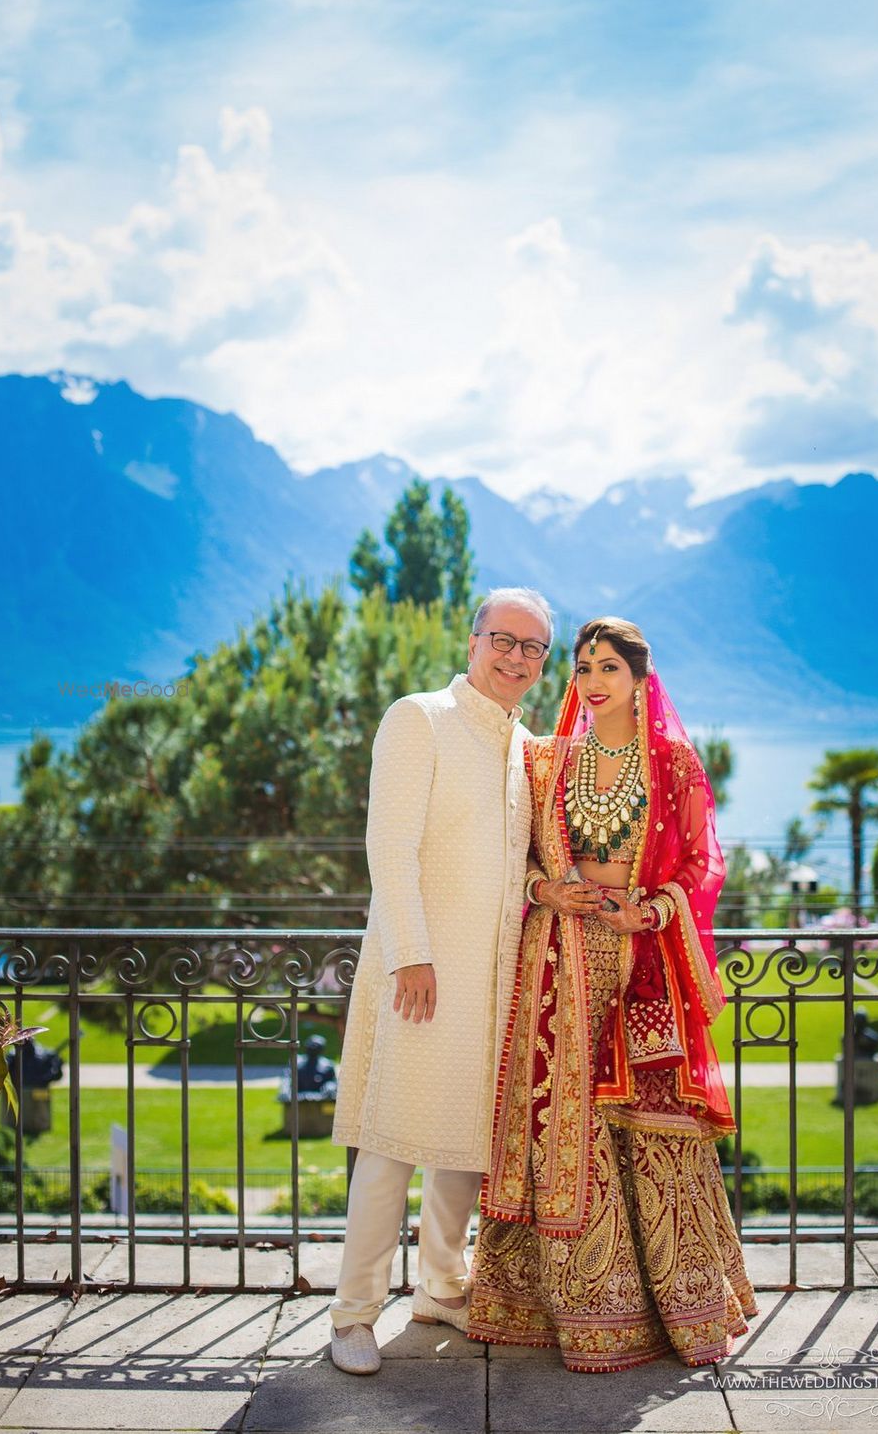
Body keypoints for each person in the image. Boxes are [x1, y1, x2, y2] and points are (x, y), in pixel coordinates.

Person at [468, 616, 756, 1372]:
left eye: (609, 668)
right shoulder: (547, 761)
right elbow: (515, 856)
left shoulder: (673, 763)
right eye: (584, 667)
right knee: (566, 1125)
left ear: (639, 679)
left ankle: (680, 1308)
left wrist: (652, 911)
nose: (593, 681)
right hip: (558, 960)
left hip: (642, 962)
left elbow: (700, 866)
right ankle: (573, 1312)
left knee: (650, 1130)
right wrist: (544, 889)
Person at [328, 587, 553, 1374]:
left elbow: (515, 866)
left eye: (533, 647)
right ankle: (353, 1314)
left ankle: (440, 1286)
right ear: (472, 642)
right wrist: (411, 954)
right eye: (504, 638)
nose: (516, 656)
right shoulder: (418, 717)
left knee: (465, 1144)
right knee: (390, 1144)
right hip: (417, 971)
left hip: (492, 977)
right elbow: (388, 846)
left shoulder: (524, 748)